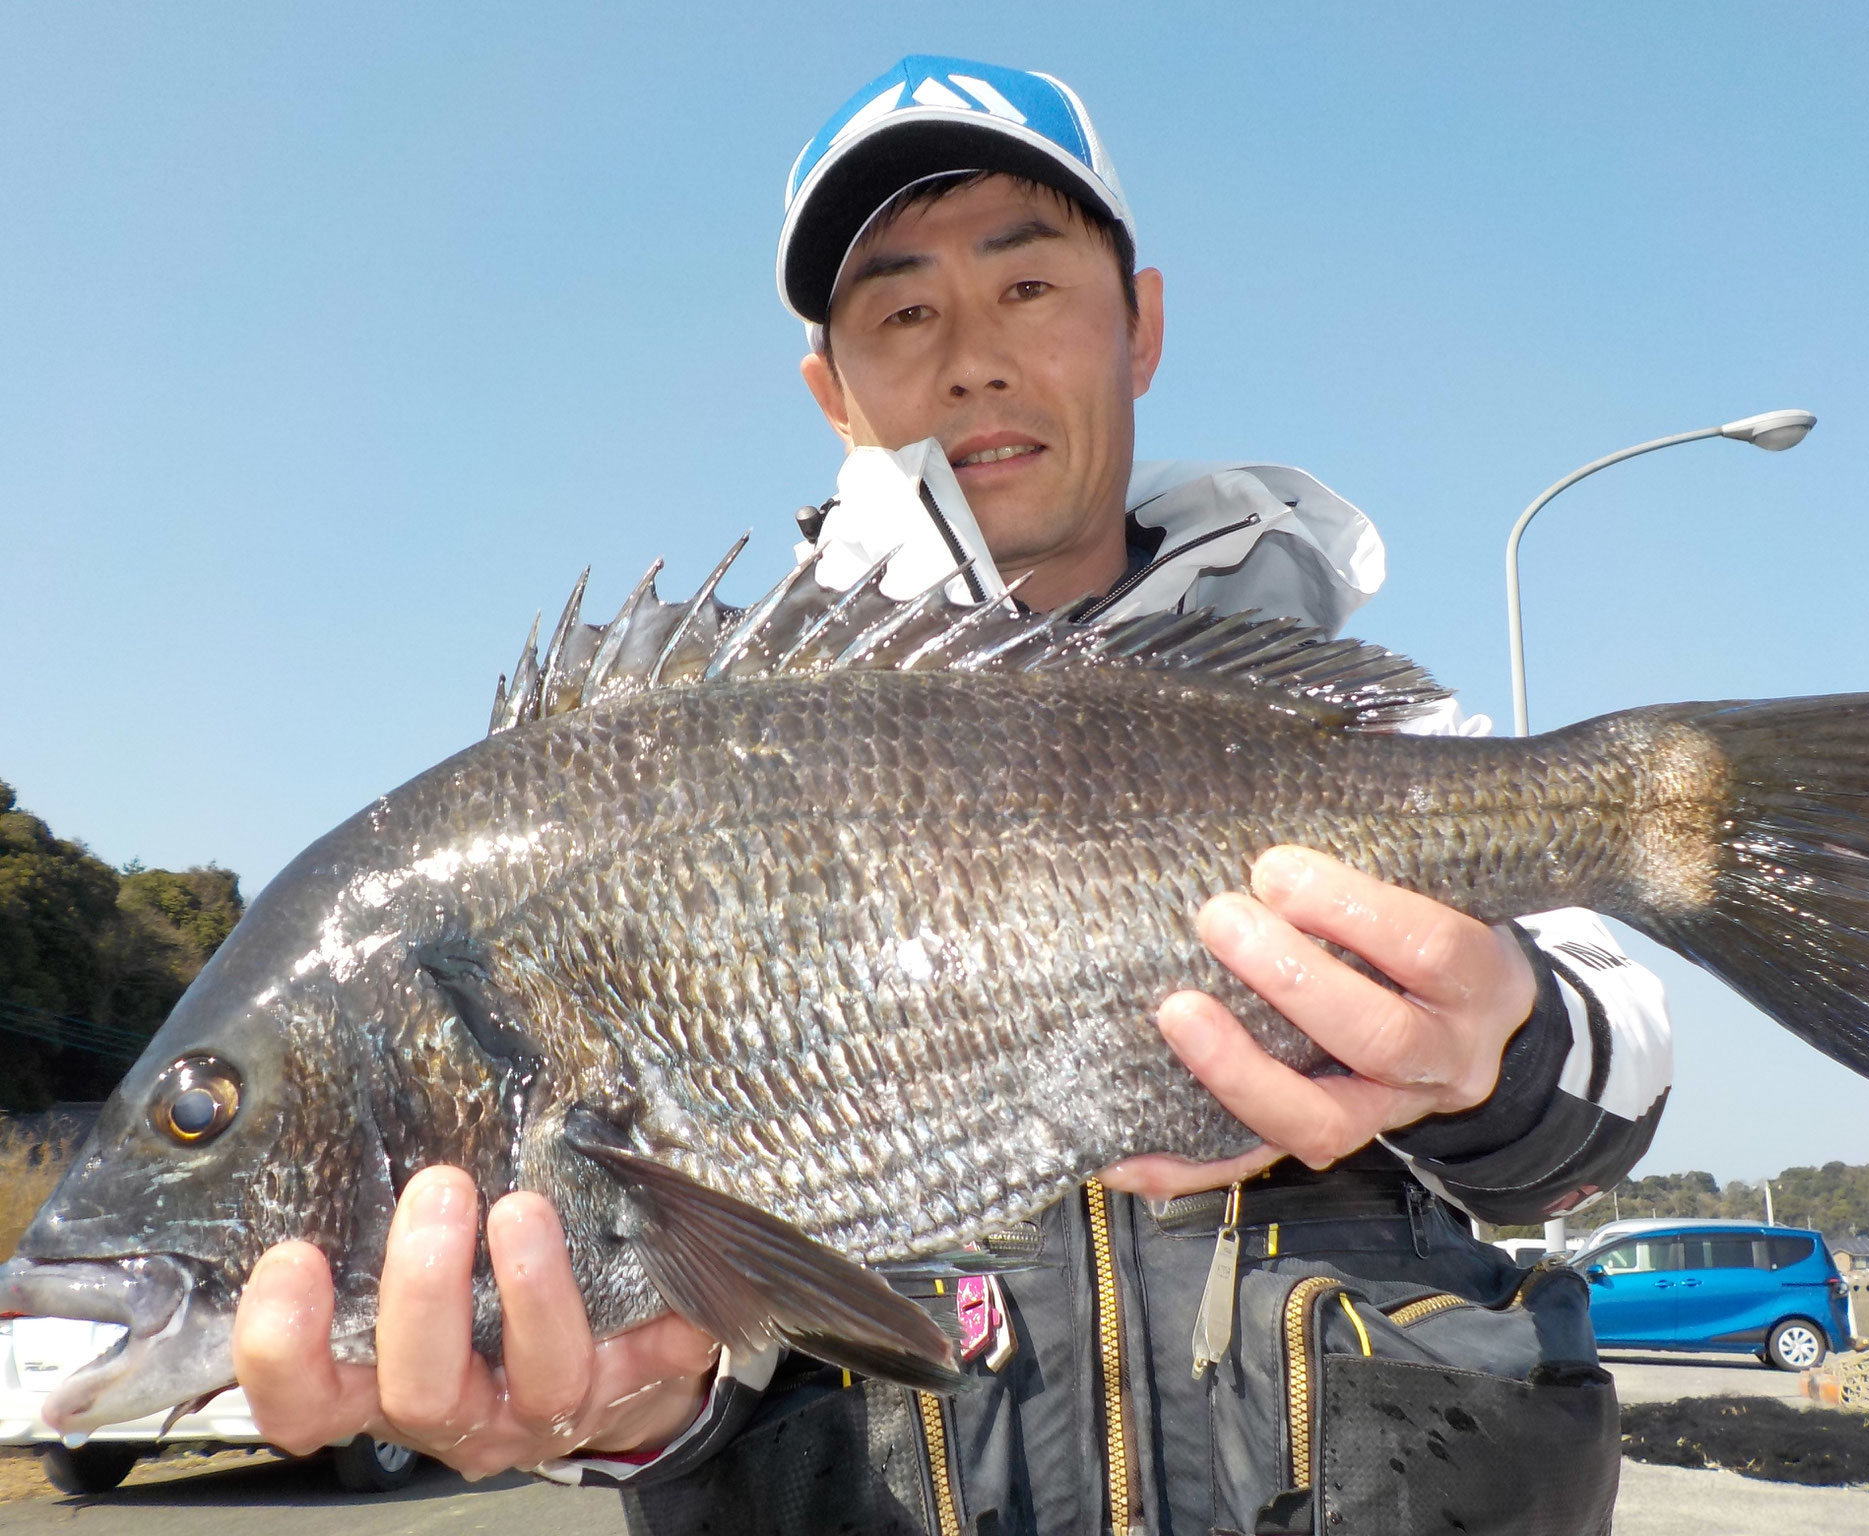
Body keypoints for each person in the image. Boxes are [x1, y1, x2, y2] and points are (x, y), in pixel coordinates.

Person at [232, 56, 1674, 1534]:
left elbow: (1625, 1076)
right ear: (833, 393)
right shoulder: (703, 753)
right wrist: (629, 1414)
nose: (971, 356)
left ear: (1143, 327)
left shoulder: (1337, 716)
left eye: (1028, 286)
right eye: (902, 310)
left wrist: (1495, 1036)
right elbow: (690, 1360)